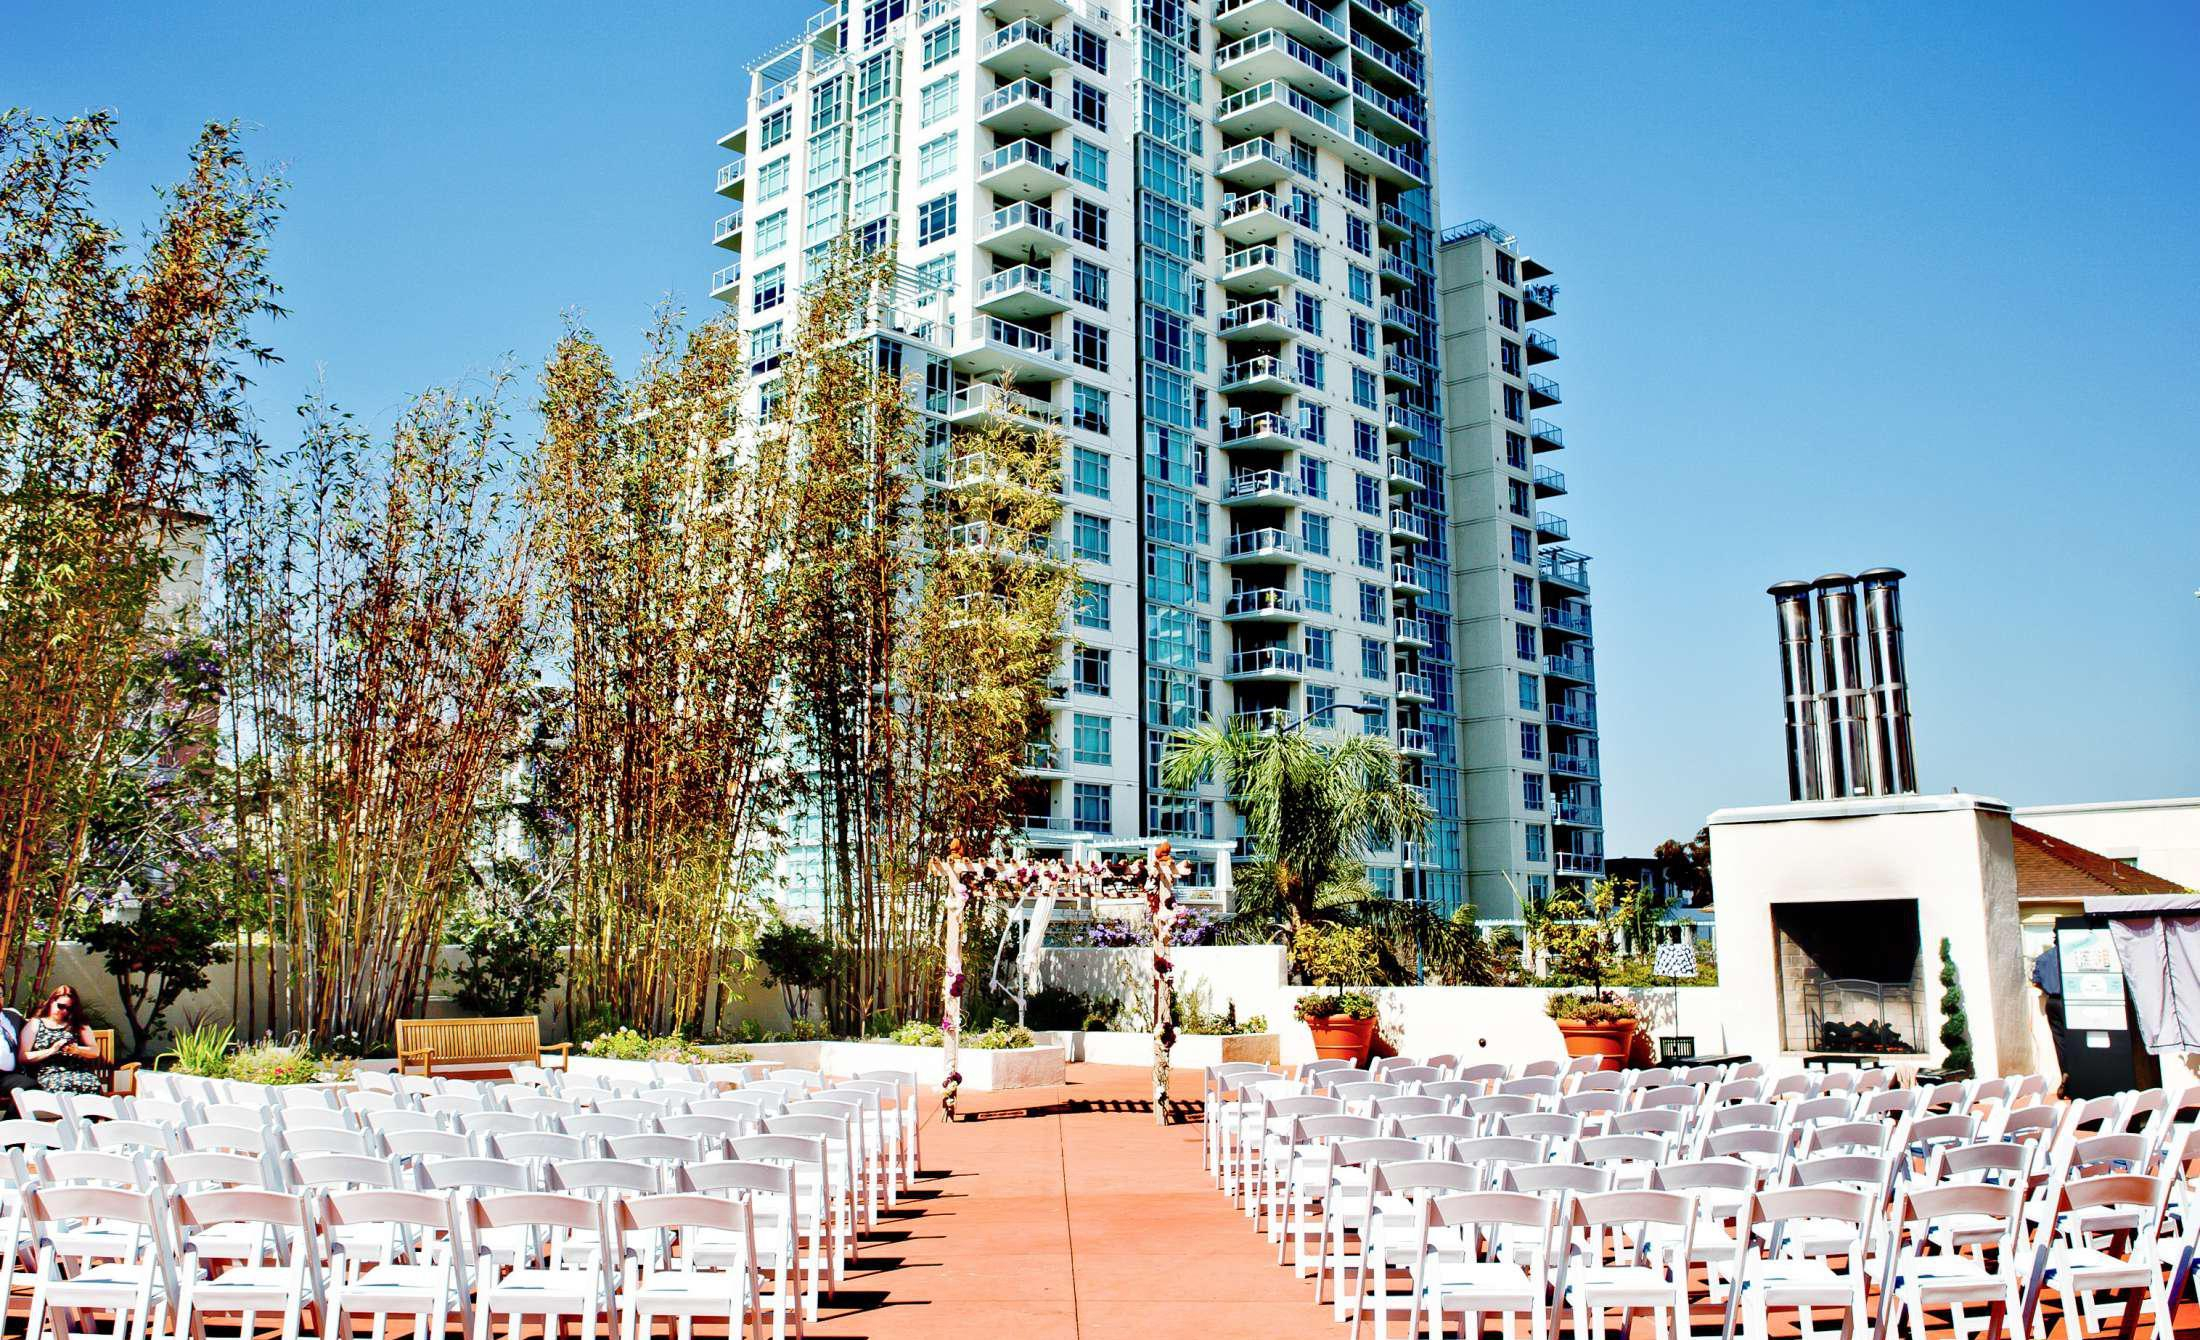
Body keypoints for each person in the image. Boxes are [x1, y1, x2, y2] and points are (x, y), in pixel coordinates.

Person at [18, 985, 103, 1095]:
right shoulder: (35, 1024)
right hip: (49, 1073)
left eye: (69, 1008)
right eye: (61, 1006)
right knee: (61, 1087)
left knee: (92, 1084)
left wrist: (77, 1050)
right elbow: (23, 1057)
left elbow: (95, 1051)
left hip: (78, 1072)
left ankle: (89, 1112)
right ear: (51, 1002)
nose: (64, 1011)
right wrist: (52, 1050)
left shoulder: (77, 1024)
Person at [0, 1006, 32, 1101]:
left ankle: (11, 1116)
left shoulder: (13, 1016)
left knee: (28, 1086)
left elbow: (34, 1029)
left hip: (6, 1076)